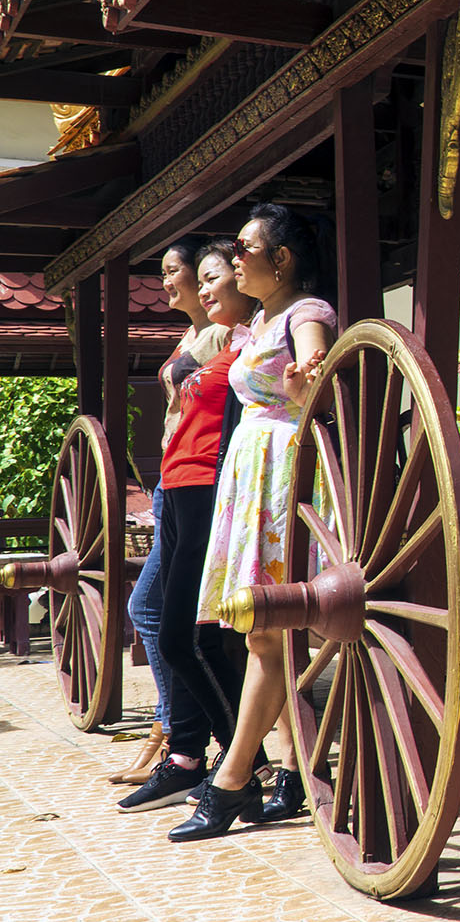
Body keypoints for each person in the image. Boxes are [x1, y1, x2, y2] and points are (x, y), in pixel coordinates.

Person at [171, 205, 336, 842]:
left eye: (245, 247)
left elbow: (321, 381)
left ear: (282, 259)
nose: (236, 257)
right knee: (263, 634)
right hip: (250, 474)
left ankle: (230, 782)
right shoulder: (260, 320)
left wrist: (304, 390)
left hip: (282, 472)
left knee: (266, 634)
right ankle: (295, 770)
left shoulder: (307, 314)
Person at [116, 241, 254, 811]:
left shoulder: (238, 337)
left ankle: (233, 761)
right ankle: (187, 753)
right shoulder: (205, 336)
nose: (189, 286)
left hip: (207, 489)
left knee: (175, 629)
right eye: (181, 276)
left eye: (200, 275)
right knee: (170, 626)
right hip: (178, 487)